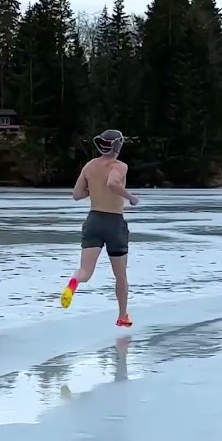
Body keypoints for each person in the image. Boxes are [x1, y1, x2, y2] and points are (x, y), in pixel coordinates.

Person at [60, 128, 139, 327]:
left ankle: (74, 281)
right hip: (114, 223)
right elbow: (112, 183)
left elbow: (77, 194)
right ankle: (122, 316)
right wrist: (131, 198)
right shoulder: (119, 166)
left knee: (85, 271)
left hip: (93, 220)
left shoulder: (89, 166)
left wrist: (94, 188)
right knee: (120, 276)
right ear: (118, 145)